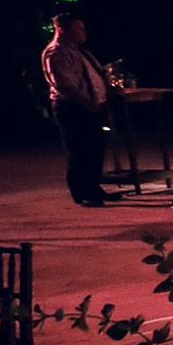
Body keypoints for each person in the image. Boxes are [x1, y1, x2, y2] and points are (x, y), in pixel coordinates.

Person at [42, 12, 113, 207]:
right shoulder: (57, 52)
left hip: (91, 107)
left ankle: (93, 186)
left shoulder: (80, 51)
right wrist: (87, 101)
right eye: (78, 28)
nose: (83, 32)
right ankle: (83, 193)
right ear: (62, 29)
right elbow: (65, 84)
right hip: (73, 108)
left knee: (96, 148)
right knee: (80, 149)